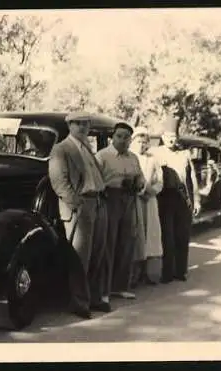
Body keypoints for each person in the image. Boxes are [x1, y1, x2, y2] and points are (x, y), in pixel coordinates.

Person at [48, 112, 112, 319]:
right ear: (69, 125)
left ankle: (93, 298)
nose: (83, 127)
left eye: (86, 124)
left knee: (98, 253)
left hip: (97, 201)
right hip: (80, 205)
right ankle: (78, 302)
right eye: (78, 124)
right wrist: (76, 204)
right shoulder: (61, 148)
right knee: (79, 258)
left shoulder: (87, 148)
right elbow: (59, 181)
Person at [96, 122, 145, 300]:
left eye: (127, 137)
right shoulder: (102, 156)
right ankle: (103, 290)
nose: (123, 140)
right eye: (119, 136)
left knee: (126, 243)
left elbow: (141, 177)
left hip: (129, 199)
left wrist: (138, 183)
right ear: (112, 137)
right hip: (109, 200)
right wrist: (112, 186)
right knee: (108, 243)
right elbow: (95, 181)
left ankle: (120, 286)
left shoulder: (133, 157)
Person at [148, 115, 201, 283]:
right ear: (163, 137)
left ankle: (181, 271)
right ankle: (167, 272)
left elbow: (192, 178)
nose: (171, 140)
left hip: (182, 197)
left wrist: (197, 199)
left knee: (182, 235)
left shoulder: (184, 154)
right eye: (168, 136)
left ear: (177, 138)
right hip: (164, 197)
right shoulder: (155, 153)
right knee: (167, 236)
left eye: (174, 137)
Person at [129, 126, 164, 285]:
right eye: (139, 141)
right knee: (135, 234)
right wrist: (138, 190)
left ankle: (150, 273)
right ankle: (133, 274)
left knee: (150, 235)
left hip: (149, 200)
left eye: (145, 142)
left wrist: (152, 191)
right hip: (133, 200)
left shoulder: (152, 159)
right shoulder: (129, 157)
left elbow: (159, 181)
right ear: (133, 141)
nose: (142, 145)